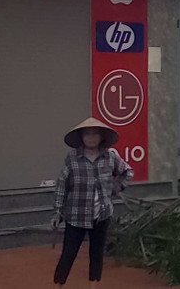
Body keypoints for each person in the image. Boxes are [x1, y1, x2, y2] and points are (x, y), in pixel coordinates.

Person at [52, 117, 133, 288]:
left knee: (96, 254)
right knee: (68, 254)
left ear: (101, 137)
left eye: (95, 134)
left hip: (102, 215)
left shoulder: (110, 157)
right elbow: (62, 185)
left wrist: (114, 189)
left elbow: (127, 172)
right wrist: (57, 212)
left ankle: (93, 286)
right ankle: (58, 285)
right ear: (81, 137)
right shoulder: (73, 158)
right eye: (87, 134)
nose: (91, 138)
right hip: (76, 216)